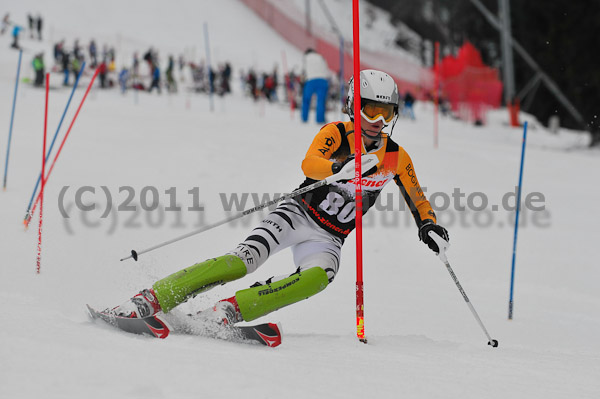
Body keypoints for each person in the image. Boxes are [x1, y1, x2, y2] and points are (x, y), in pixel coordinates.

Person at [107, 69, 449, 332]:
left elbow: (417, 197)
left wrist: (428, 224)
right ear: (352, 106)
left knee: (320, 278)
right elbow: (309, 163)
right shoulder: (336, 134)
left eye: (386, 113)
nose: (378, 122)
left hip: (330, 238)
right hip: (297, 213)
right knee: (244, 261)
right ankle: (153, 297)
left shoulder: (396, 157)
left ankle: (230, 309)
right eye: (370, 110)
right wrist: (338, 167)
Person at [301, 48, 330, 124]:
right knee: (320, 101)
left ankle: (304, 118)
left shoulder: (306, 58)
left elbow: (304, 70)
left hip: (311, 80)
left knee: (306, 100)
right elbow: (326, 68)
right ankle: (320, 120)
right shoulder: (321, 57)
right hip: (322, 80)